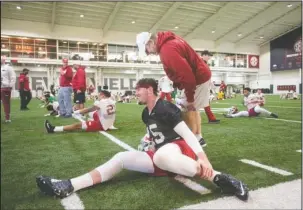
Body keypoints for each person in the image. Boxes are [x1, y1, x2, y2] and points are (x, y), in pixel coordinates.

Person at [37, 78, 248, 201]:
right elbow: (154, 136)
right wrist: (147, 141)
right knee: (121, 156)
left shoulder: (165, 107)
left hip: (178, 150)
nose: (135, 93)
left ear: (148, 90)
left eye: (138, 90)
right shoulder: (146, 113)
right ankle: (68, 185)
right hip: (161, 156)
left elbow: (187, 134)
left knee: (162, 155)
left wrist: (203, 158)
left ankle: (224, 179)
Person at [136, 31, 212, 147]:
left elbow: (187, 75)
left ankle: (193, 141)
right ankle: (198, 137)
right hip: (200, 76)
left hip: (197, 79)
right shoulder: (169, 41)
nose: (149, 53)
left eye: (147, 50)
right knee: (193, 108)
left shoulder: (167, 50)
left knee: (187, 107)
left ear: (151, 42)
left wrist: (190, 97)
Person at [44, 90, 115, 133]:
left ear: (102, 95)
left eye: (99, 95)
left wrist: (76, 112)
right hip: (109, 122)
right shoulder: (112, 102)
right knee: (93, 113)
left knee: (77, 125)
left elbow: (89, 109)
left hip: (101, 125)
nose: (98, 97)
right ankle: (93, 119)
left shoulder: (101, 101)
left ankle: (53, 129)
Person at [200, 50, 220, 124]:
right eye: (208, 56)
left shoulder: (205, 63)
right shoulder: (200, 62)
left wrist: (211, 84)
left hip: (204, 86)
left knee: (206, 103)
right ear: (204, 55)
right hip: (200, 86)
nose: (209, 57)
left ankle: (211, 118)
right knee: (195, 104)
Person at [1, 56, 16, 122]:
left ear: (3, 60)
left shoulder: (8, 68)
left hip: (5, 88)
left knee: (6, 103)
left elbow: (13, 77)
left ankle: (7, 118)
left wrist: (10, 86)